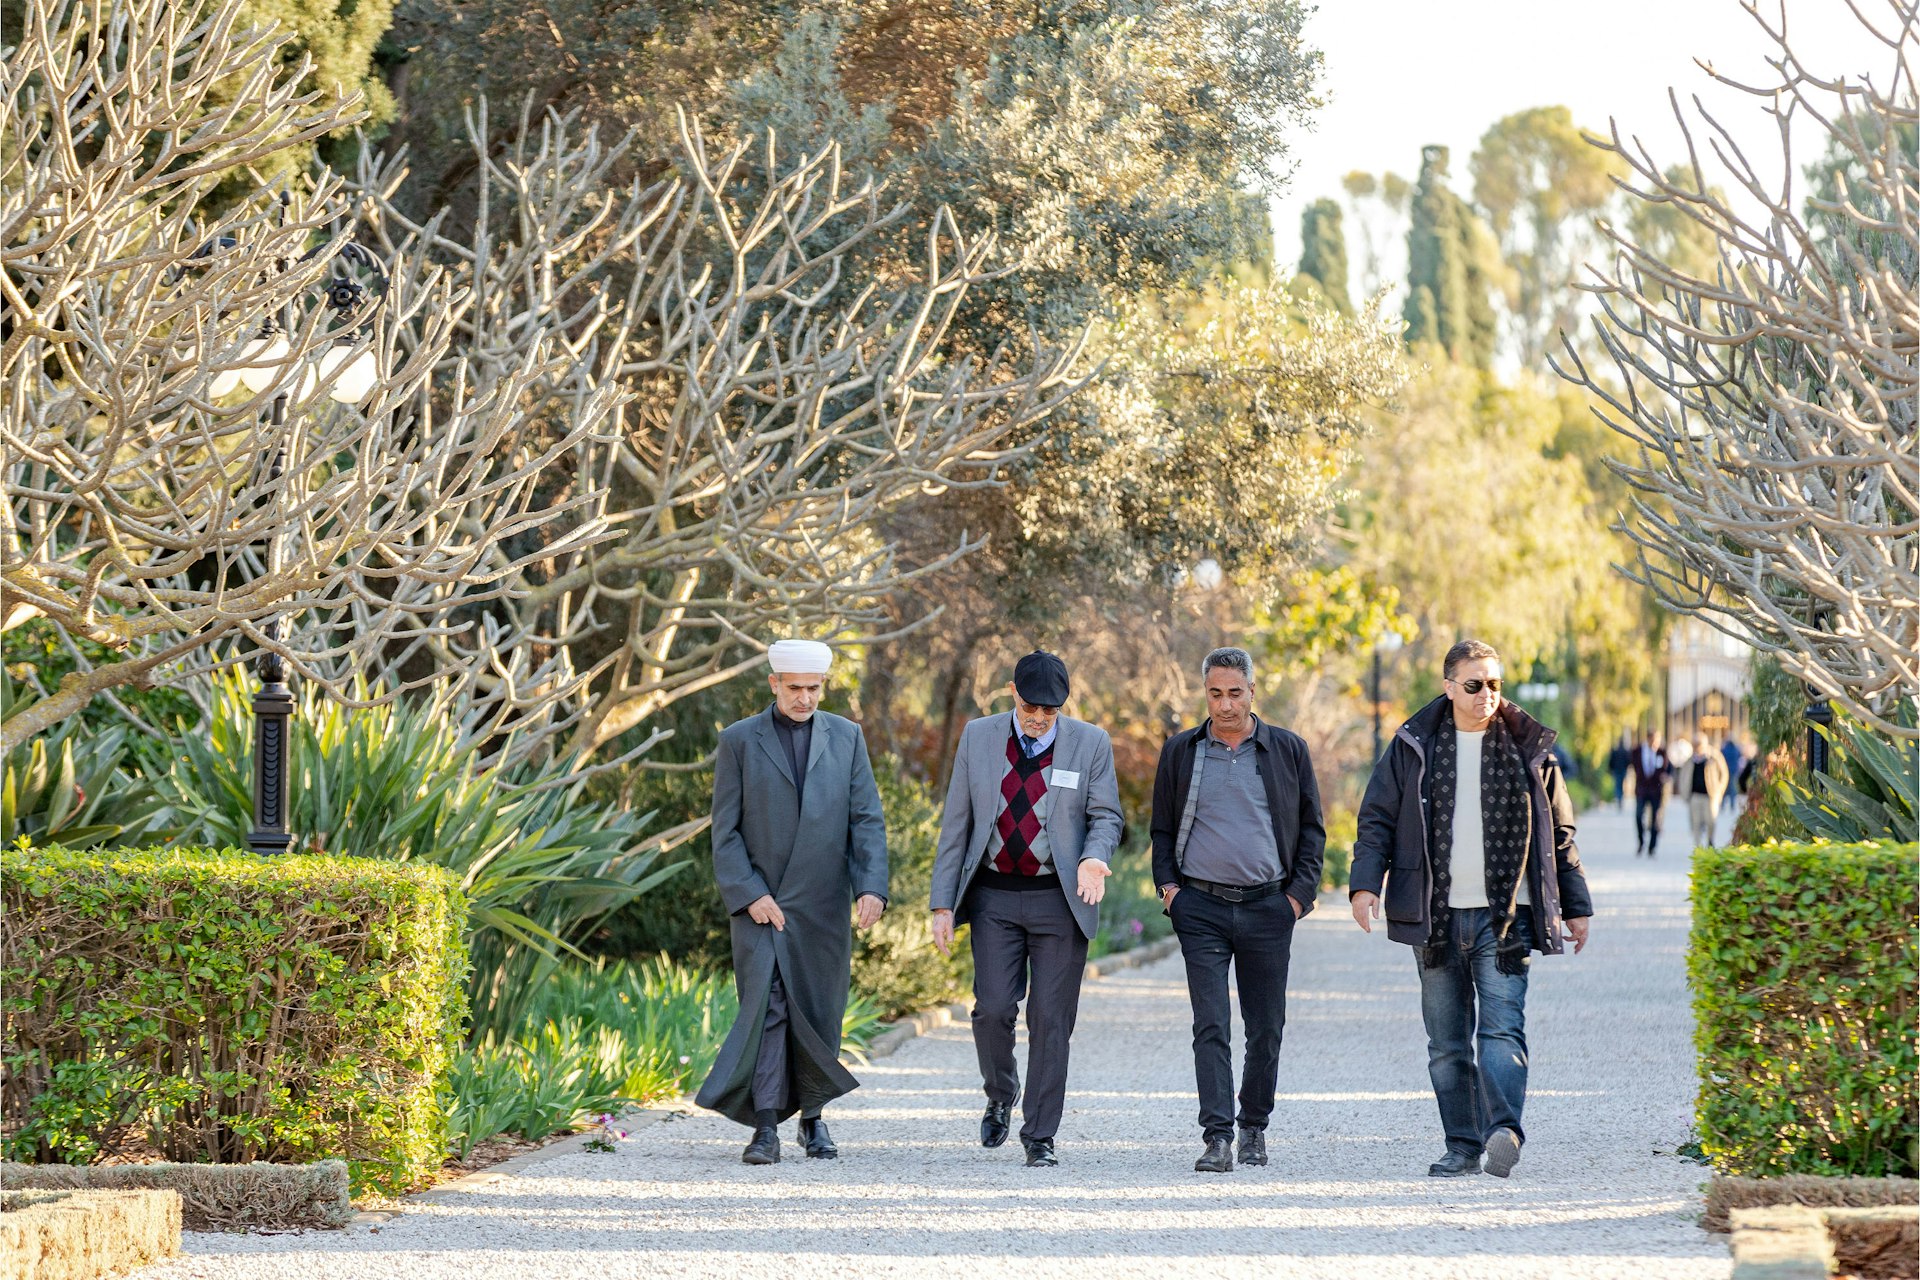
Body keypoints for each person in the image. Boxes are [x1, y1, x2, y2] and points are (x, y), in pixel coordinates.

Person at [1348, 639, 1593, 1180]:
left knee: (1502, 1030)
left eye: (1496, 684)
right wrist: (1365, 886)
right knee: (1446, 1043)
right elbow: (1377, 819)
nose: (1487, 695)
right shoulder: (1415, 744)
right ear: (1449, 686)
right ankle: (1461, 1145)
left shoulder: (1530, 747)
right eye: (1475, 684)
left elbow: (1560, 833)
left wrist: (1576, 907)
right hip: (1433, 916)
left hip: (1508, 915)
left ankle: (1503, 1130)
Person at [696, 639, 890, 1165]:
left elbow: (865, 820)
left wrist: (872, 886)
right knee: (768, 1009)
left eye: (814, 688)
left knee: (818, 1012)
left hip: (824, 906)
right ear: (774, 684)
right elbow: (726, 831)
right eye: (796, 688)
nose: (806, 698)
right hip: (763, 905)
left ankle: (812, 1120)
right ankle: (764, 1129)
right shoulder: (738, 740)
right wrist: (750, 893)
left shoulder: (847, 737)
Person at [928, 651, 1125, 1168]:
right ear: (1013, 692)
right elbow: (957, 825)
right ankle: (1000, 1091)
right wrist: (943, 904)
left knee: (1050, 1018)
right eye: (1032, 706)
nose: (1040, 717)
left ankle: (1040, 1135)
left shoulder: (1091, 744)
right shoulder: (979, 736)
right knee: (992, 1009)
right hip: (994, 895)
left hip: (1059, 900)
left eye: (1051, 710)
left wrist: (1092, 857)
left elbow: (1107, 817)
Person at [1151, 646, 1325, 1174]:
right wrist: (1170, 892)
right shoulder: (1182, 752)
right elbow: (1160, 829)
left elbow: (1313, 829)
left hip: (1268, 908)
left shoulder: (1287, 750)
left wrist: (1296, 898)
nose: (1225, 705)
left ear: (1253, 692)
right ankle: (1218, 1136)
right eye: (1215, 693)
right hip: (1199, 907)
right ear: (1204, 693)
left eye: (1235, 693)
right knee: (1211, 1023)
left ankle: (1254, 1128)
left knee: (1266, 1026)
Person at [1630, 730, 1673, 856]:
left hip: (1656, 790)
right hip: (1641, 790)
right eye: (1654, 740)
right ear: (1648, 739)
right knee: (1638, 816)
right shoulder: (1637, 751)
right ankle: (1641, 841)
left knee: (1655, 819)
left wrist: (1666, 776)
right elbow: (1633, 765)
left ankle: (1652, 847)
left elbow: (1669, 768)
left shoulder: (1662, 752)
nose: (1656, 743)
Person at [1684, 734, 1730, 849]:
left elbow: (1724, 773)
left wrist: (1719, 790)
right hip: (1695, 795)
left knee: (1711, 821)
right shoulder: (1690, 759)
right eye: (1695, 745)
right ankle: (1698, 846)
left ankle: (1710, 841)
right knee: (1696, 823)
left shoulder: (1713, 756)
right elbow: (1683, 776)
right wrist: (1684, 792)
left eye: (1698, 745)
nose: (1696, 748)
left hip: (1710, 795)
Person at [1719, 736, 1746, 817]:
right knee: (1732, 789)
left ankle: (1723, 805)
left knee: (1724, 788)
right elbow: (1740, 756)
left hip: (1725, 771)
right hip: (1734, 771)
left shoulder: (1724, 749)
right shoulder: (1736, 749)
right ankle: (1732, 806)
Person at [1607, 733, 1633, 811]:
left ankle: (1618, 797)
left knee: (1617, 784)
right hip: (1622, 770)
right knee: (1621, 785)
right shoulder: (1625, 751)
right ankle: (1620, 798)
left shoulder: (1615, 751)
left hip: (1617, 770)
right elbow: (1628, 761)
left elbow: (1611, 761)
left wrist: (1611, 769)